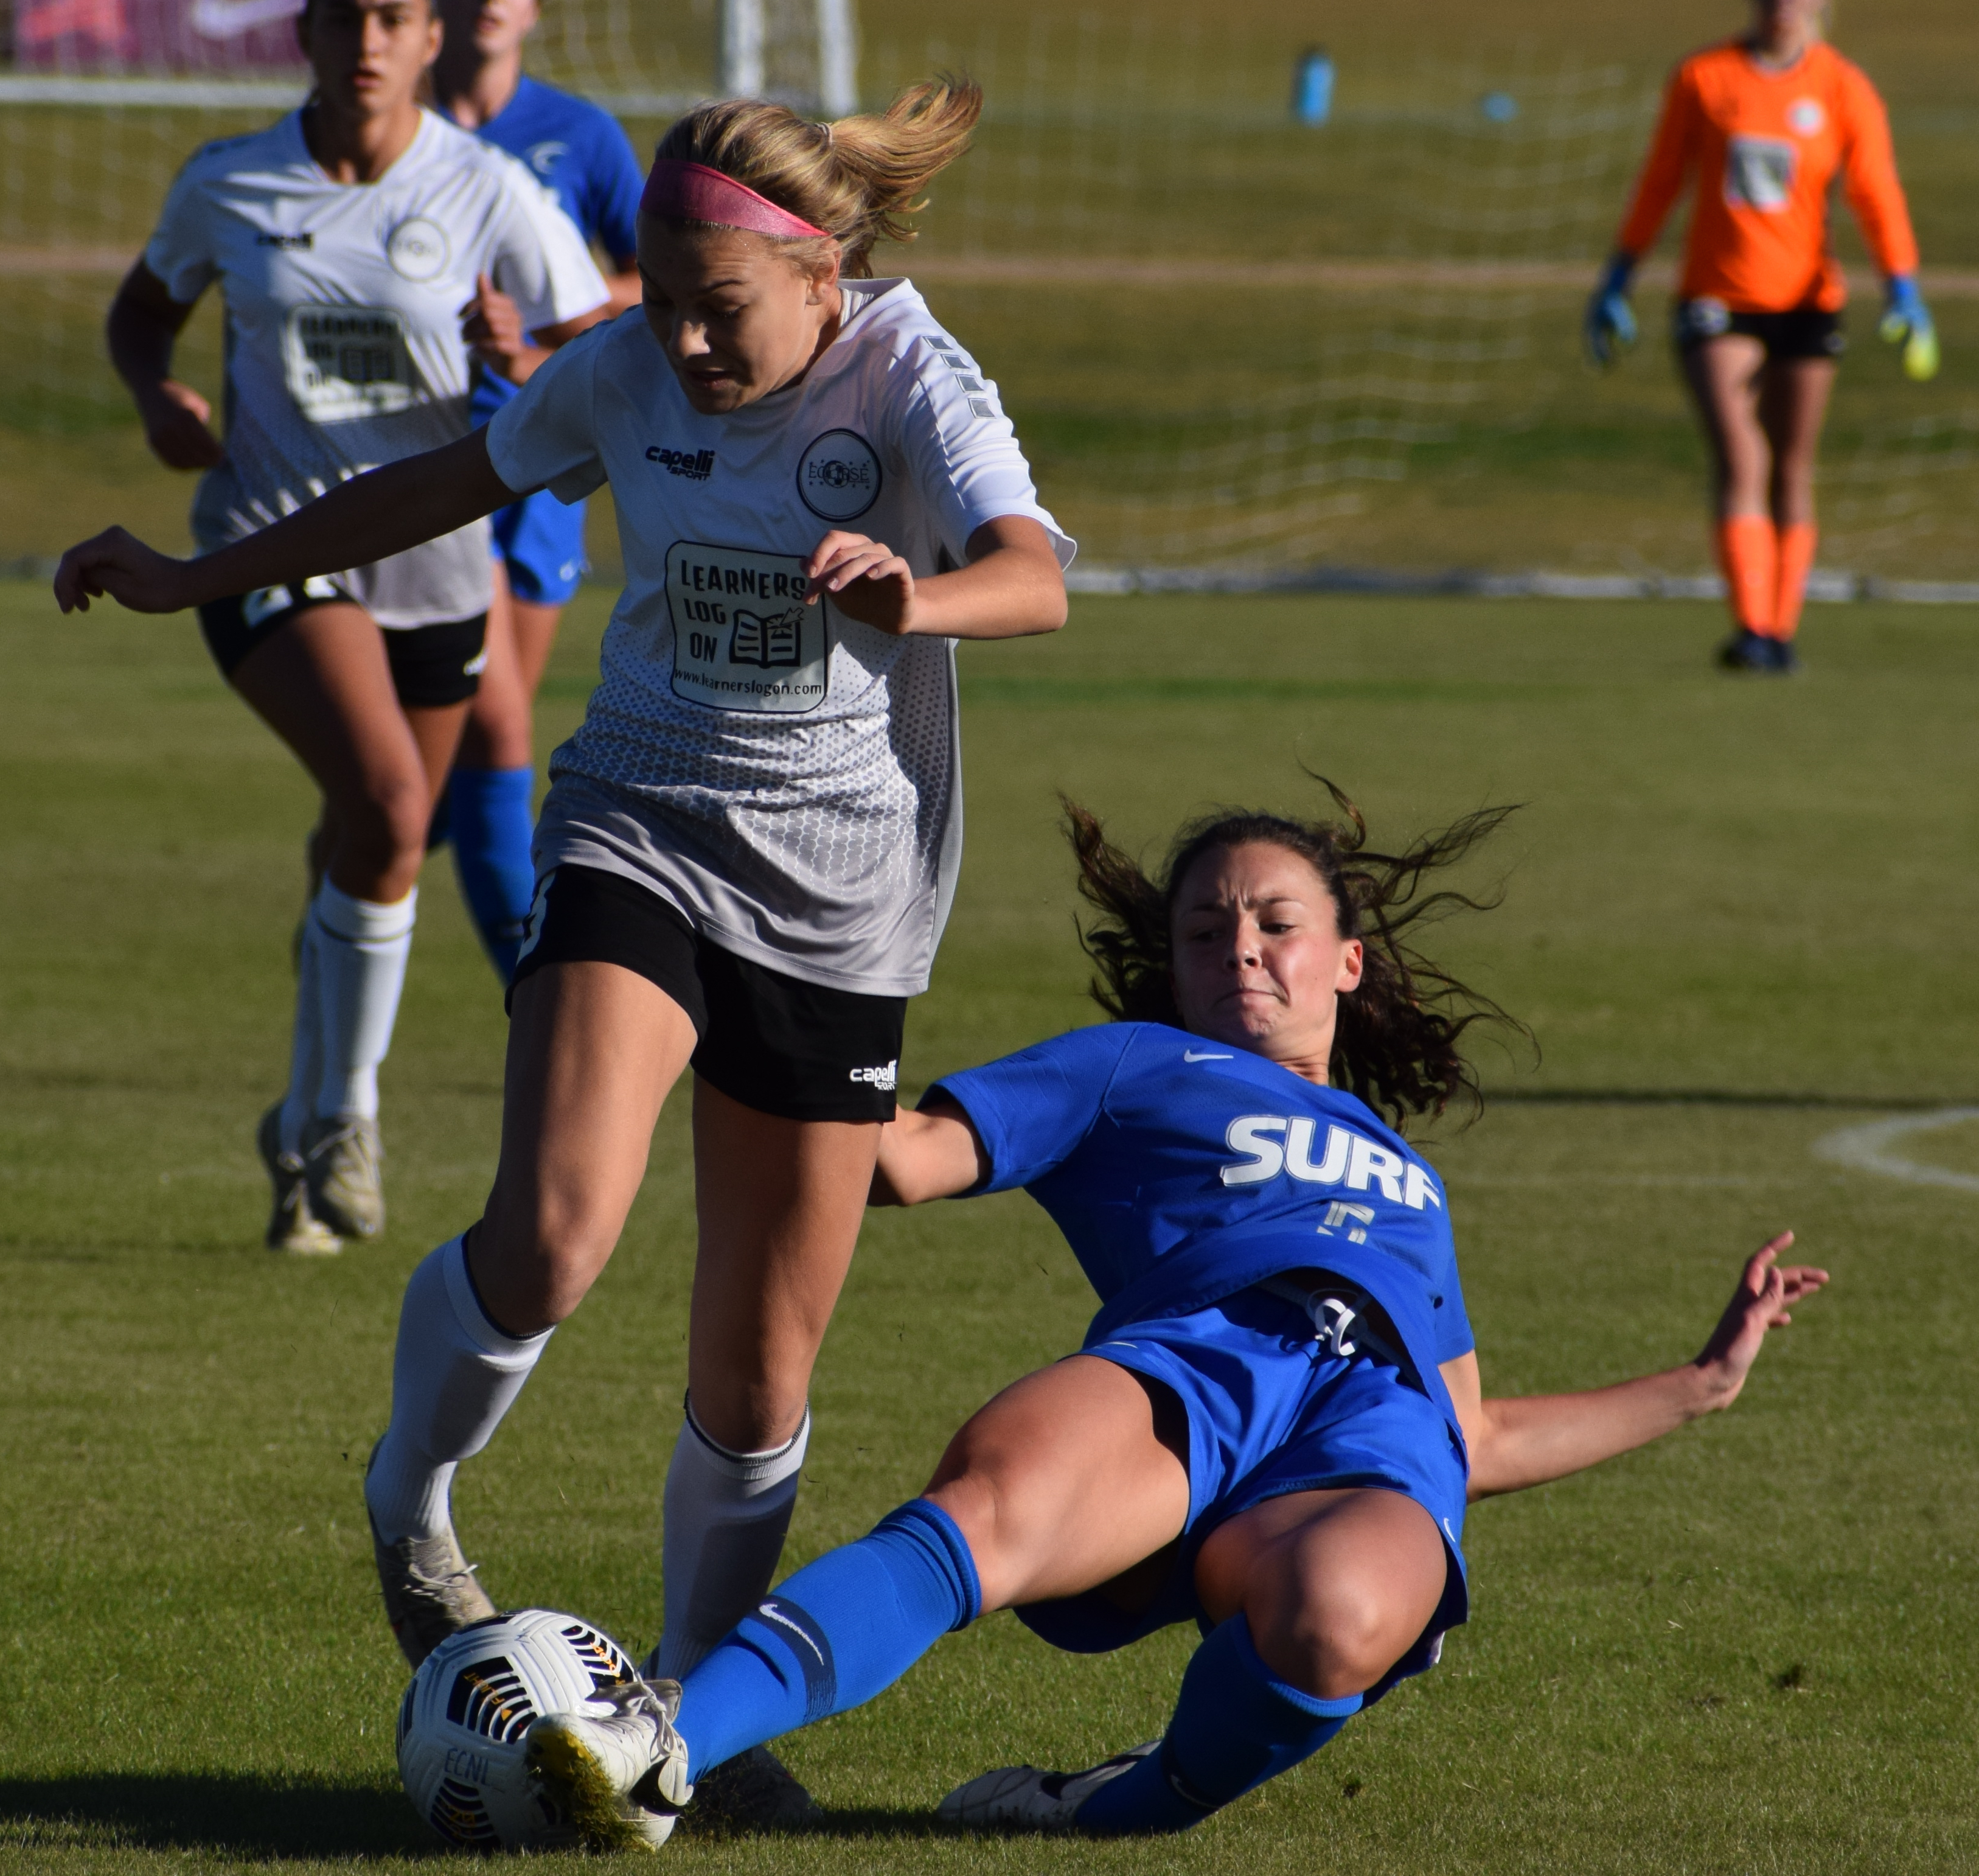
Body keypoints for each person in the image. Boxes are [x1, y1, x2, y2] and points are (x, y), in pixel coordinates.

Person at [57, 82, 1072, 1833]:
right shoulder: (626, 372)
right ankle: (411, 1494)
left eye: (718, 308)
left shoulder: (913, 375)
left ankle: (692, 1718)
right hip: (642, 828)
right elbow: (437, 481)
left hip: (843, 901)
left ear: (818, 274)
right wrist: (189, 569)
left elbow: (1037, 572)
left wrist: (922, 597)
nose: (678, 338)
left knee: (759, 1378)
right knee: (549, 1237)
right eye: (660, 298)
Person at [515, 787, 1828, 1848]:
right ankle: (663, 1743)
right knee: (989, 1504)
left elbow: (1471, 1434)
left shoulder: (1408, 1173)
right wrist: (751, 1004)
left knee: (1333, 1619)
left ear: (1348, 961)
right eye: (1206, 930)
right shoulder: (1135, 1063)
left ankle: (1098, 1806)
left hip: (1375, 1433)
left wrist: (1702, 1383)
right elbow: (902, 1160)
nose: (1239, 947)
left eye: (1274, 923)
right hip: (1201, 1364)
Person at [102, 0, 610, 1254]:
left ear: (433, 38)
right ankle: (344, 1117)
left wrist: (527, 343)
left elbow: (595, 325)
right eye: (346, 16)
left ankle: (298, 1130)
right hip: (275, 543)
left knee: (368, 842)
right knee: (390, 806)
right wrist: (159, 398)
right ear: (306, 34)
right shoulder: (229, 183)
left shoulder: (487, 186)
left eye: (396, 16)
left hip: (438, 560)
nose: (370, 40)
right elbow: (140, 312)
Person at [1587, 0, 1934, 675]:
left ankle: (1781, 631)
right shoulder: (1705, 78)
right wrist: (1619, 274)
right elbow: (1660, 182)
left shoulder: (1843, 88)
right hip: (1717, 298)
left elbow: (1876, 194)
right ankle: (1751, 628)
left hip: (1807, 301)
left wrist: (1903, 285)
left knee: (1792, 465)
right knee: (1741, 452)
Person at [425, 0, 648, 984]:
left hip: (546, 459)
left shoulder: (577, 133)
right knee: (488, 720)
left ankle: (350, 885)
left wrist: (556, 320)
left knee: (454, 742)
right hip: (423, 466)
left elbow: (663, 276)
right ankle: (536, 990)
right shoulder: (394, 132)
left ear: (536, 0)